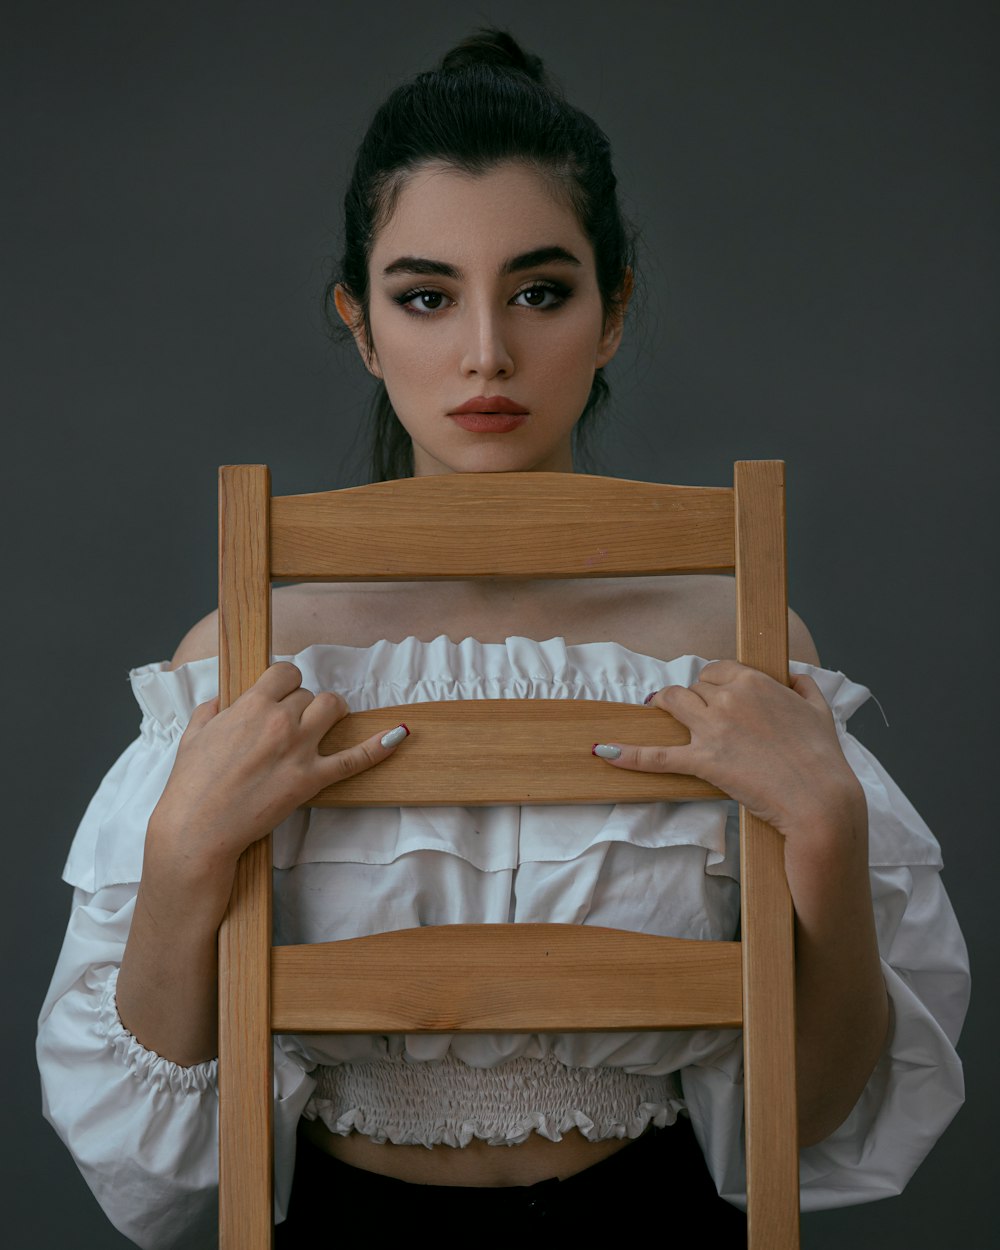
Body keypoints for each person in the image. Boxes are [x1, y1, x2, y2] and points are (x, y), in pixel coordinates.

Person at [37, 28, 968, 1249]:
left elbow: (814, 1116)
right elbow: (153, 1169)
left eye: (540, 290)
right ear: (362, 328)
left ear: (614, 309)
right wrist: (179, 862)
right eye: (426, 296)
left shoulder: (730, 637)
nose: (486, 350)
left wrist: (832, 836)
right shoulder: (256, 650)